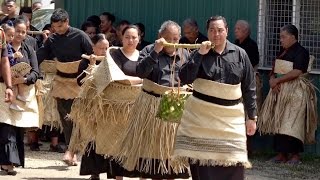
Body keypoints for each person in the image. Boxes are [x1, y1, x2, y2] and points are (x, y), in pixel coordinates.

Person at [173, 15, 257, 180]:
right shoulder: (198, 52)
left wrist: (252, 117)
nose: (216, 34)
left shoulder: (240, 54)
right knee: (203, 162)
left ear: (226, 31)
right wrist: (199, 55)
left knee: (233, 162)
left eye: (220, 30)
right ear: (207, 32)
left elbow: (249, 87)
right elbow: (185, 77)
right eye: (212, 30)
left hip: (230, 119)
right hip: (201, 118)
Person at [114, 20, 190, 180]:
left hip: (174, 103)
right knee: (149, 149)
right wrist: (156, 51)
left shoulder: (184, 53)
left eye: (176, 39)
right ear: (159, 36)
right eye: (168, 38)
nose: (172, 42)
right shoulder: (149, 50)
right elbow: (140, 72)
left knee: (168, 149)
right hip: (150, 104)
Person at [37, 8, 93, 166]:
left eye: (60, 26)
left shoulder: (80, 36)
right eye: (55, 27)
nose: (57, 30)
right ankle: (71, 149)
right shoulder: (52, 39)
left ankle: (75, 149)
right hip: (62, 81)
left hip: (80, 81)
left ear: (67, 22)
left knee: (78, 118)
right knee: (66, 117)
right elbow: (41, 54)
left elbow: (92, 56)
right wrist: (30, 66)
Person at [258, 24, 317, 165]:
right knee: (278, 121)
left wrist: (278, 80)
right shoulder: (282, 51)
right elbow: (274, 69)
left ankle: (295, 155)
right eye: (280, 37)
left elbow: (297, 71)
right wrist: (272, 80)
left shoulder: (301, 52)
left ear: (293, 37)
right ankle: (281, 155)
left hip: (295, 93)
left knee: (293, 122)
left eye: (283, 37)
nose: (281, 40)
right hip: (279, 91)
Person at [0, 17, 40, 176]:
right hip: (3, 88)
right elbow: (3, 64)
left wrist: (23, 79)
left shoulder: (29, 49)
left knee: (16, 129)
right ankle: (7, 163)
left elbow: (36, 72)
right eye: (17, 31)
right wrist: (10, 83)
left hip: (23, 94)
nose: (20, 34)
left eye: (24, 32)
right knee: (6, 127)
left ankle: (10, 162)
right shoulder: (4, 44)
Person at [234, 19, 260, 156]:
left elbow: (253, 63)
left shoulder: (252, 45)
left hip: (247, 83)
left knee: (249, 115)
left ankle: (248, 149)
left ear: (245, 31)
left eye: (238, 29)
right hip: (235, 84)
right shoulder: (235, 44)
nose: (235, 31)